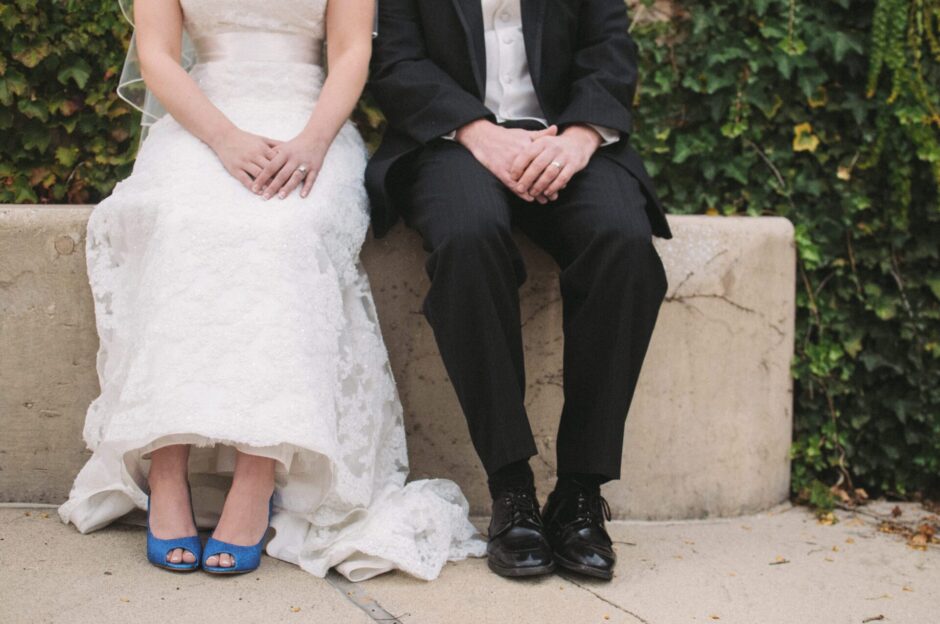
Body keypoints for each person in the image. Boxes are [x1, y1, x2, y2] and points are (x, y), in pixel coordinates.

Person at [58, 0, 485, 581]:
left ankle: (257, 477)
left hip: (309, 123)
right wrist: (225, 138)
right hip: (200, 124)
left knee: (286, 229)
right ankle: (165, 470)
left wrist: (312, 141)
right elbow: (157, 56)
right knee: (180, 221)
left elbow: (352, 51)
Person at [366, 0, 671, 580]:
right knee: (468, 238)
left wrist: (581, 137)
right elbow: (396, 62)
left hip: (564, 141)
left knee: (624, 245)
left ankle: (580, 494)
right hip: (451, 143)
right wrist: (479, 133)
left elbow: (609, 49)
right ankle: (512, 489)